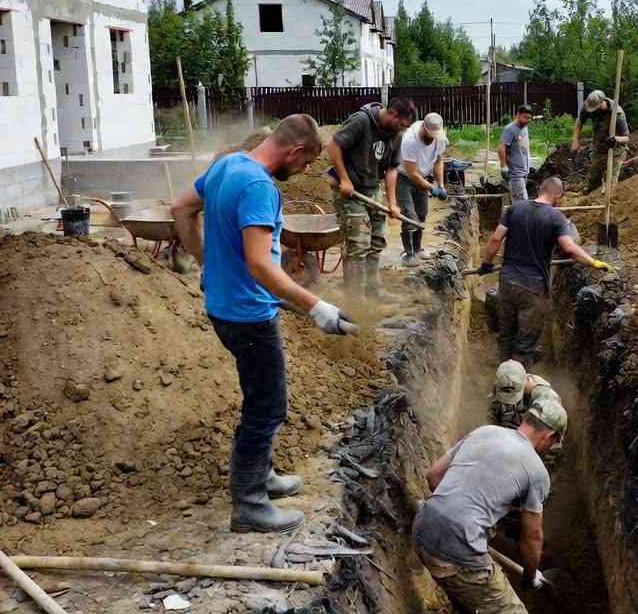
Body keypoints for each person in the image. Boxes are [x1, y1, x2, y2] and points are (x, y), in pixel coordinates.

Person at [172, 115, 354, 534]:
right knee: (267, 406)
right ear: (296, 151)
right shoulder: (258, 187)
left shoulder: (227, 165)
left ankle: (263, 475)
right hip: (248, 315)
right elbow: (259, 264)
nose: (304, 171)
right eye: (306, 163)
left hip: (224, 305)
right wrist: (316, 306)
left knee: (259, 396)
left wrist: (205, 262)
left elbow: (180, 208)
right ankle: (250, 504)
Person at [414, 398, 568, 613]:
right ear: (549, 436)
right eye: (554, 442)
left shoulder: (484, 432)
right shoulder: (537, 472)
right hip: (456, 553)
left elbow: (433, 475)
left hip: (421, 530)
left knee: (466, 595)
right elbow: (532, 536)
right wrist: (530, 576)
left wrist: (455, 517)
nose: (551, 448)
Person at [477, 177, 615, 367]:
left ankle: (503, 370)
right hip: (533, 287)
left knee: (506, 333)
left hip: (507, 281)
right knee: (526, 340)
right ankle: (517, 379)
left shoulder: (515, 208)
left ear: (540, 189)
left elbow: (495, 239)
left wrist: (486, 264)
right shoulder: (556, 217)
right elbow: (569, 247)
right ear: (558, 195)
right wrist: (594, 262)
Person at [327, 98, 418, 297]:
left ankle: (372, 291)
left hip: (372, 189)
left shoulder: (395, 135)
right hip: (350, 191)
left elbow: (392, 169)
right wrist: (344, 179)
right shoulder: (361, 121)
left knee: (378, 240)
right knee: (358, 244)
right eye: (402, 125)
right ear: (393, 115)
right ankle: (356, 298)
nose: (403, 130)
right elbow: (333, 146)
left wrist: (392, 203)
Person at [397, 112, 449, 266]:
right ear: (424, 129)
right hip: (404, 178)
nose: (433, 138)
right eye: (431, 135)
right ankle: (408, 253)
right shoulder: (410, 140)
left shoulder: (440, 138)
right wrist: (432, 188)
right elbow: (412, 173)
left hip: (423, 177)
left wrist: (441, 185)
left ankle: (418, 248)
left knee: (421, 213)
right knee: (409, 215)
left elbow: (438, 161)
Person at [571, 90, 629, 194]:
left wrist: (616, 139)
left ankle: (609, 197)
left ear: (603, 102)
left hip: (616, 150)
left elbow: (627, 138)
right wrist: (575, 139)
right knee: (594, 177)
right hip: (599, 147)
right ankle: (590, 196)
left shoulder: (617, 113)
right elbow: (580, 122)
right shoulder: (588, 106)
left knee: (610, 182)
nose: (593, 111)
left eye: (596, 108)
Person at [490, 359, 559, 429]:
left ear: (526, 381)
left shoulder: (544, 395)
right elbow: (491, 412)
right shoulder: (501, 383)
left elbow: (553, 423)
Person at [498, 105, 534, 202]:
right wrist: (503, 166)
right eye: (525, 117)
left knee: (518, 202)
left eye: (530, 118)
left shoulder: (525, 128)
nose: (528, 120)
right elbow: (501, 148)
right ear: (518, 115)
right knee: (522, 204)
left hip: (524, 172)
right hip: (515, 174)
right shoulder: (510, 129)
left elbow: (523, 148)